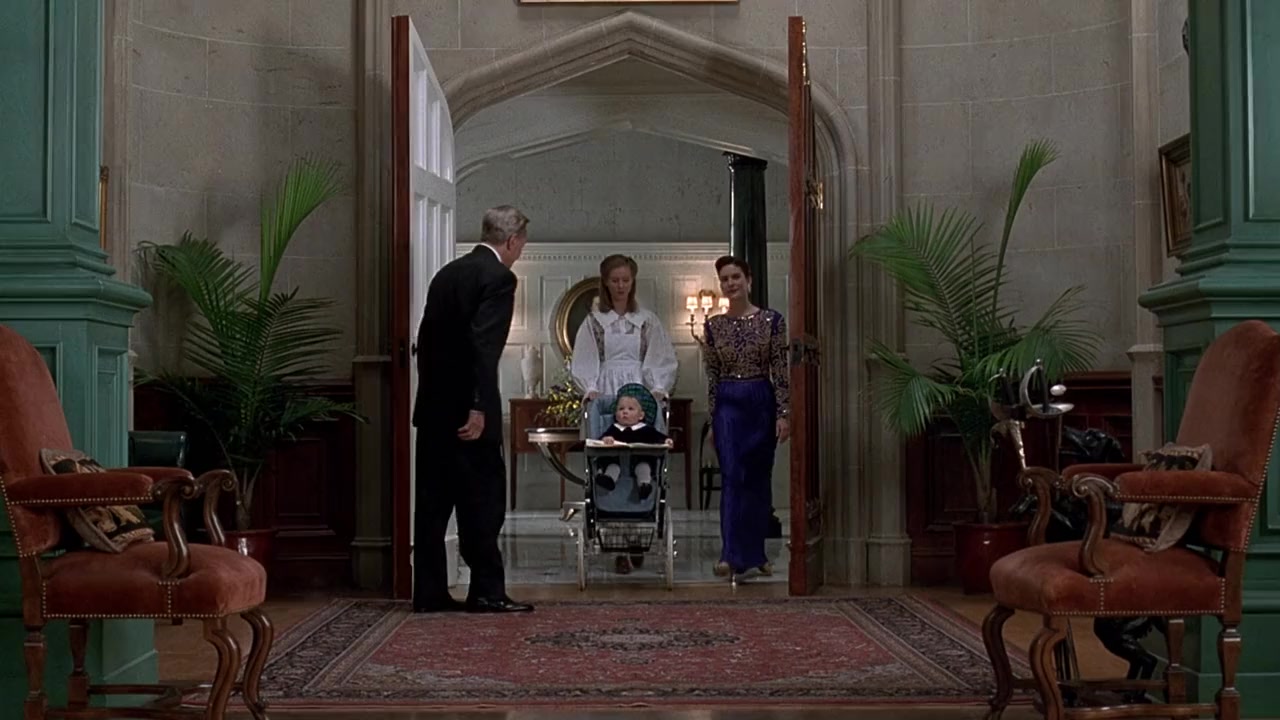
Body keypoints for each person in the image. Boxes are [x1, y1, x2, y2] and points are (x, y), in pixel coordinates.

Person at [412, 205, 533, 614]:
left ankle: (429, 593)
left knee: (432, 506)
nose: (520, 251)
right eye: (521, 244)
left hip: (434, 410)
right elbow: (484, 346)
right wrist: (478, 407)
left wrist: (432, 400)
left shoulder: (447, 273)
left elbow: (426, 343)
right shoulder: (498, 277)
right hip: (469, 415)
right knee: (483, 501)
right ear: (512, 240)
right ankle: (486, 591)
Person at [571, 254, 678, 574]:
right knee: (610, 458)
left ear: (633, 282)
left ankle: (637, 535)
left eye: (625, 280)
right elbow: (585, 358)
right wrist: (590, 387)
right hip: (606, 388)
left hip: (638, 386)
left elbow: (659, 355)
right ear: (605, 282)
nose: (620, 286)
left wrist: (657, 387)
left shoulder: (646, 321)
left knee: (638, 457)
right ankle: (616, 542)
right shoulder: (594, 322)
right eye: (615, 280)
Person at [702, 255, 790, 579]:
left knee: (758, 479)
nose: (730, 283)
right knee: (732, 478)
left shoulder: (772, 321)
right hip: (728, 404)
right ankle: (730, 555)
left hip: (760, 400)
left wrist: (784, 414)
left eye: (736, 277)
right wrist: (712, 419)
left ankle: (756, 554)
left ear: (748, 280)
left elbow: (780, 371)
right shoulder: (713, 326)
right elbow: (712, 376)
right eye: (725, 279)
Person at [593, 390, 673, 501]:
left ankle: (644, 486)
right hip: (616, 460)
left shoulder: (646, 429)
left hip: (640, 459)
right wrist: (606, 439)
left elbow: (658, 437)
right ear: (616, 415)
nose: (625, 412)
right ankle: (608, 480)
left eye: (630, 409)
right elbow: (602, 438)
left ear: (641, 415)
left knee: (644, 467)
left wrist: (666, 440)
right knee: (612, 466)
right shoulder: (614, 428)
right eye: (621, 409)